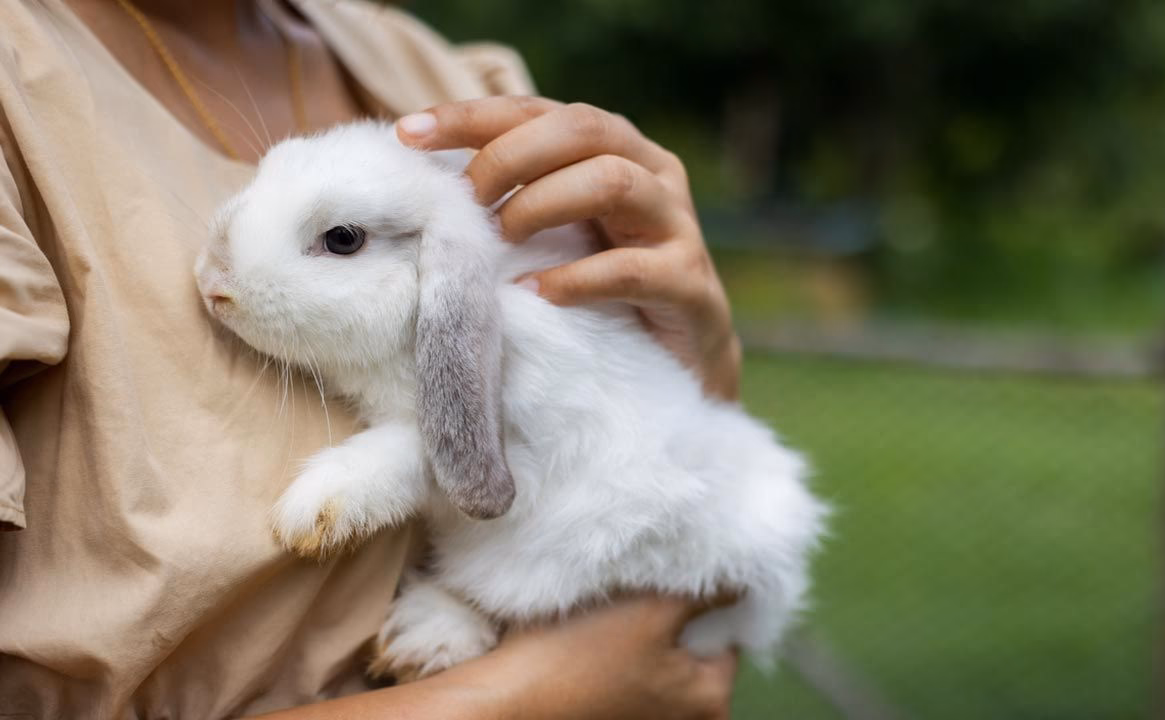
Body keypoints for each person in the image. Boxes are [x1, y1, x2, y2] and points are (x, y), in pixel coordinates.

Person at [0, 1, 742, 717]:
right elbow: (661, 673)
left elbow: (700, 585)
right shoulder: (21, 89)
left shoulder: (443, 74)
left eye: (343, 241)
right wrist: (532, 696)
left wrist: (699, 352)